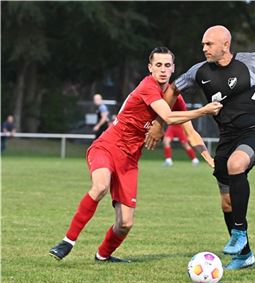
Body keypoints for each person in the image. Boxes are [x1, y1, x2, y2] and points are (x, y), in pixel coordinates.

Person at [146, 25, 255, 270]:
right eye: (203, 44)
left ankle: (238, 233)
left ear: (226, 44)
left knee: (236, 164)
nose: (204, 48)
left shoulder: (254, 62)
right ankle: (245, 255)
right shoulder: (199, 71)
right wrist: (160, 123)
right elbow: (172, 90)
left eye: (209, 44)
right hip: (227, 139)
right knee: (226, 202)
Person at [49, 47, 221, 263]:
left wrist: (210, 160)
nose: (163, 70)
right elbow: (167, 116)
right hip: (107, 146)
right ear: (150, 68)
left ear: (173, 69)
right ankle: (67, 241)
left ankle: (103, 256)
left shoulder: (175, 98)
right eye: (158, 65)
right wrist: (203, 110)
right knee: (100, 186)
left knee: (125, 224)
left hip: (130, 160)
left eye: (167, 65)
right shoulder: (147, 86)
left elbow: (191, 133)